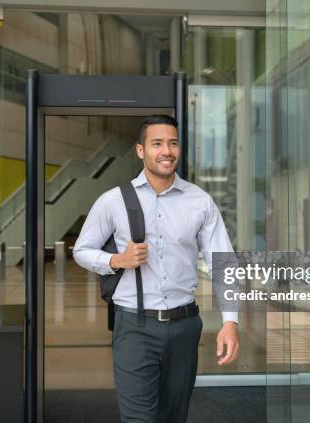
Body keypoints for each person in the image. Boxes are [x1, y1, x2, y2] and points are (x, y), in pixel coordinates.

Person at [73, 115, 239, 423]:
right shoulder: (113, 201)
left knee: (174, 416)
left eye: (173, 143)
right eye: (158, 143)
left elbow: (223, 262)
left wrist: (230, 322)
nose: (167, 151)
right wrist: (115, 261)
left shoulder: (199, 201)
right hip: (134, 326)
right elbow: (81, 251)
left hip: (184, 326)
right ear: (140, 150)